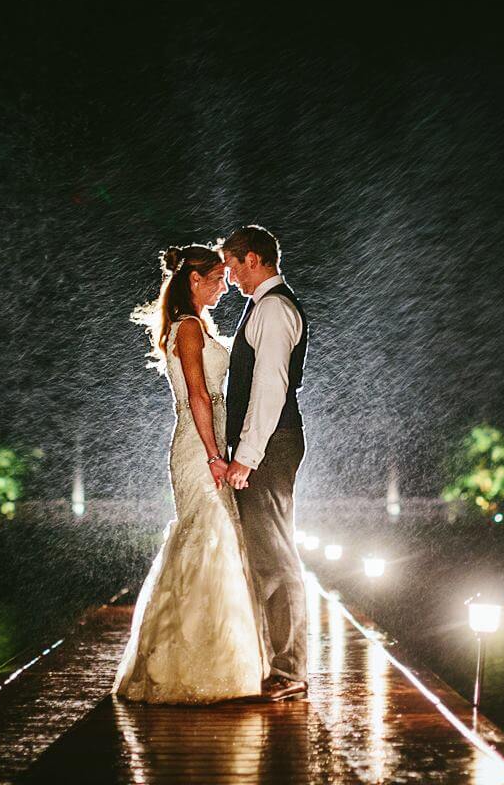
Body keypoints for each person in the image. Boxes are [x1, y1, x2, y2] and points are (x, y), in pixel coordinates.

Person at [113, 244, 268, 703]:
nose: (225, 285)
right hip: (198, 447)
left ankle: (214, 655)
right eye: (218, 278)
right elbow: (199, 396)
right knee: (207, 538)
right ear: (194, 280)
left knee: (213, 540)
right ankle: (191, 661)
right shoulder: (187, 328)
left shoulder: (194, 326)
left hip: (205, 442)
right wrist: (214, 453)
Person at [220, 225, 310, 702]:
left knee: (275, 556)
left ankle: (291, 669)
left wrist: (246, 458)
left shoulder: (274, 309)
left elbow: (270, 389)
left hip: (271, 446)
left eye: (233, 267)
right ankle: (277, 663)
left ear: (253, 259)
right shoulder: (265, 308)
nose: (231, 278)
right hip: (270, 444)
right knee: (267, 554)